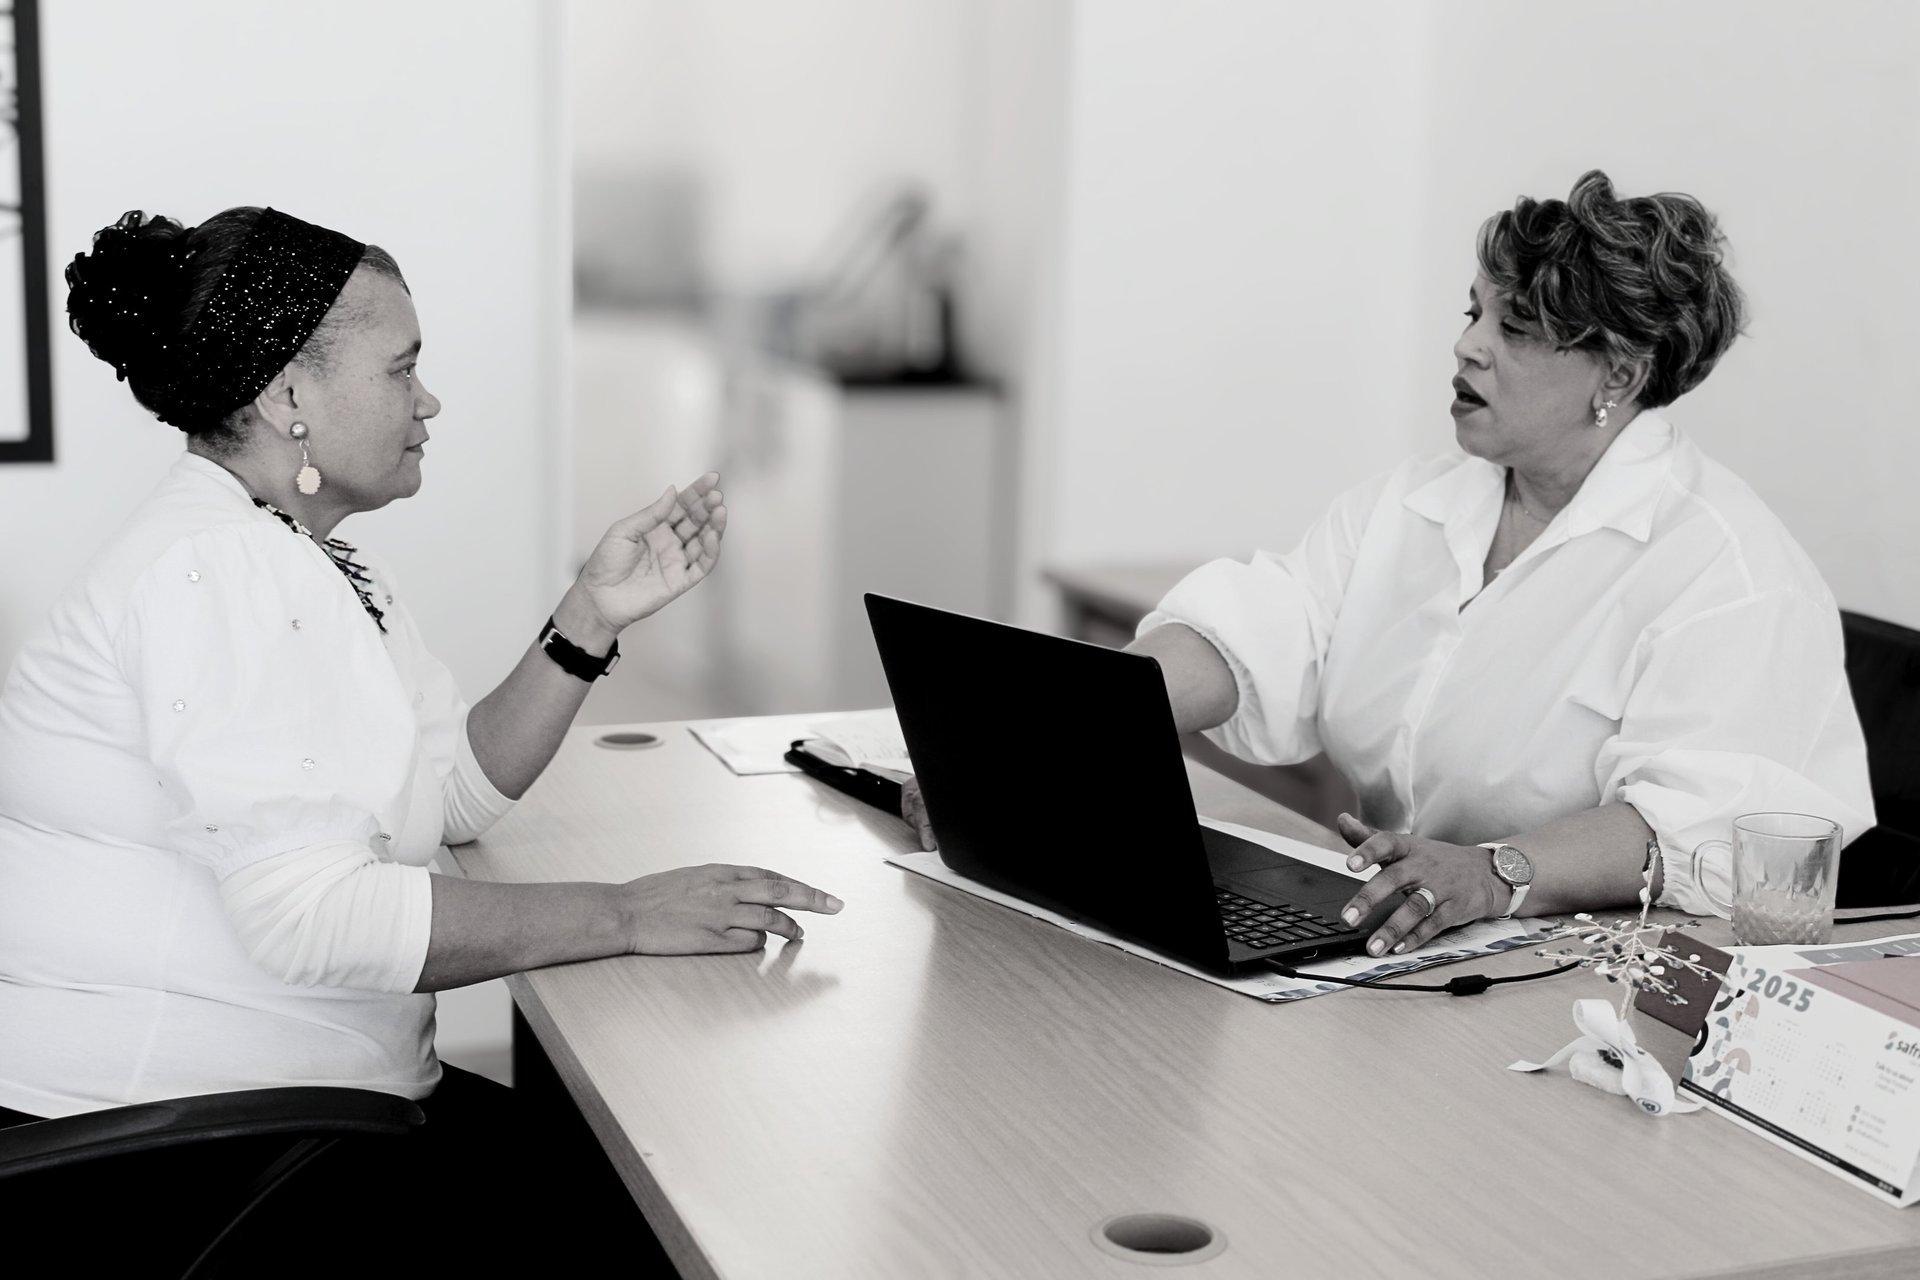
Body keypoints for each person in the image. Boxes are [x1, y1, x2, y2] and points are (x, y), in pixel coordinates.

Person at [0, 206, 841, 1270]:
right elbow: (313, 919)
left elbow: (443, 794)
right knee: (664, 1203)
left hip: (262, 1111)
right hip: (181, 1154)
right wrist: (626, 910)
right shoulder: (221, 573)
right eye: (403, 369)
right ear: (288, 394)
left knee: (643, 1165)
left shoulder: (293, 555)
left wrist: (587, 617)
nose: (429, 398)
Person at [905, 170, 1874, 961]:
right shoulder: (1415, 503)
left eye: (1515, 327)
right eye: (1472, 313)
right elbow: (1268, 628)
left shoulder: (1726, 568)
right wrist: (1039, 742)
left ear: (1619, 374)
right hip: (1401, 945)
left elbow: (1706, 825)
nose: (1467, 346)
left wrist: (1496, 870)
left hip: (1581, 989)